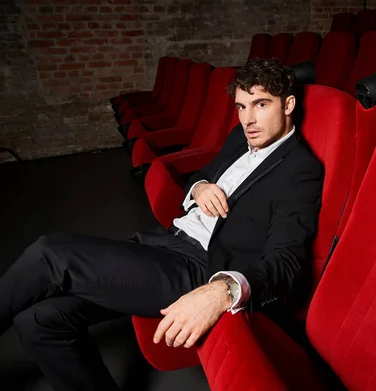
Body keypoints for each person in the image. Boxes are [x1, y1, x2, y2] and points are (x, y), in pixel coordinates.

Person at [0, 58, 324, 390]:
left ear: (288, 104)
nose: (249, 119)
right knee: (37, 321)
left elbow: (286, 262)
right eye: (241, 106)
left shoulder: (300, 170)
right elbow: (201, 176)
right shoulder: (242, 137)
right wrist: (199, 189)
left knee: (49, 253)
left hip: (198, 268)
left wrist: (222, 290)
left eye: (261, 104)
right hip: (166, 243)